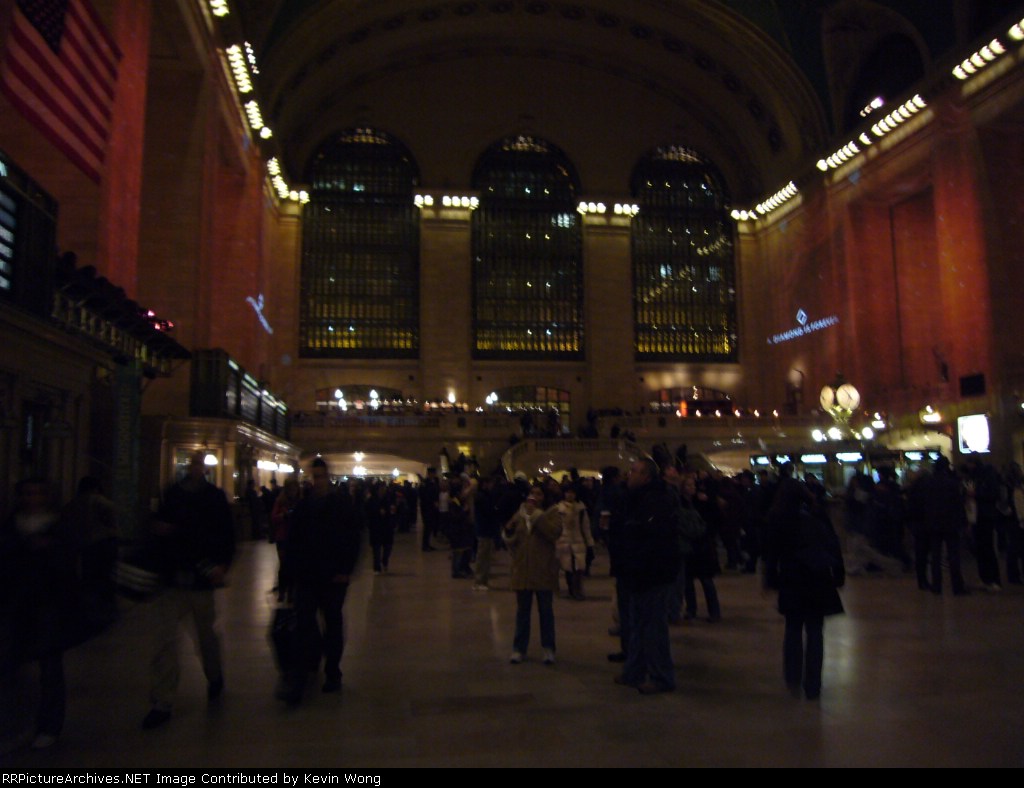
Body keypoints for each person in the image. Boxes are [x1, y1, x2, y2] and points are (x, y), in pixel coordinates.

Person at [142, 452, 235, 730]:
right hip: (172, 578)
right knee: (165, 642)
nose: (196, 468)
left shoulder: (214, 497)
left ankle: (214, 675)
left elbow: (226, 533)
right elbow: (158, 528)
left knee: (206, 637)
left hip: (200, 579)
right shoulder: (173, 494)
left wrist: (222, 564)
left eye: (199, 464)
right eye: (193, 463)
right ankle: (162, 700)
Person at [1, 478, 77, 749]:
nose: (32, 499)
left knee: (50, 667)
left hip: (47, 605)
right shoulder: (12, 526)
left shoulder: (58, 528)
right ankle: (16, 723)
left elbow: (68, 566)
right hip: (17, 604)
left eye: (37, 494)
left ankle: (49, 725)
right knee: (12, 665)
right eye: (28, 494)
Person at [278, 458, 362, 703]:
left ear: (328, 477)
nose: (318, 481)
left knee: (332, 623)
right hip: (308, 574)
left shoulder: (341, 504)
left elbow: (353, 537)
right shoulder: (305, 506)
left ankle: (332, 671)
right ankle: (303, 672)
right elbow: (294, 542)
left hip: (333, 575)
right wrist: (287, 576)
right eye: (315, 477)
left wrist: (345, 569)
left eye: (321, 476)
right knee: (304, 623)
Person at [763, 493, 845, 701]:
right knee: (815, 631)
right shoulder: (818, 517)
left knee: (793, 628)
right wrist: (839, 576)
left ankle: (793, 677)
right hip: (818, 579)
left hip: (792, 580)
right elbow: (833, 546)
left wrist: (772, 581)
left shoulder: (781, 521)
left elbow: (772, 554)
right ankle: (813, 685)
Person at [616, 458, 684, 694]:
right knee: (638, 625)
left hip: (652, 571)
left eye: (634, 471)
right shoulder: (638, 497)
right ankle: (634, 671)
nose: (629, 474)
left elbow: (655, 539)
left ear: (646, 476)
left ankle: (662, 676)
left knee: (653, 627)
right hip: (639, 571)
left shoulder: (656, 500)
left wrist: (638, 560)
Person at [504, 486, 562, 665]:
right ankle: (519, 648)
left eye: (539, 494)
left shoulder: (552, 513)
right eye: (532, 493)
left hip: (543, 569)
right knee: (522, 612)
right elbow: (512, 538)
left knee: (546, 611)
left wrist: (536, 516)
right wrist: (509, 530)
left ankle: (548, 648)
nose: (534, 497)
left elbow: (554, 533)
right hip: (523, 569)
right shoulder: (520, 514)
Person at [63, 476, 118, 630]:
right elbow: (112, 525)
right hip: (103, 544)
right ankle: (103, 613)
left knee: (87, 579)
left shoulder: (72, 504)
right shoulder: (103, 503)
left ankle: (88, 613)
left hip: (81, 546)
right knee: (104, 578)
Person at [555, 486, 594, 600]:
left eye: (572, 492)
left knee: (579, 568)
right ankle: (572, 589)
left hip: (578, 540)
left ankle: (577, 589)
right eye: (568, 492)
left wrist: (589, 542)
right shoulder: (559, 509)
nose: (570, 495)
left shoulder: (581, 509)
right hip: (564, 541)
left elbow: (585, 526)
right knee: (568, 568)